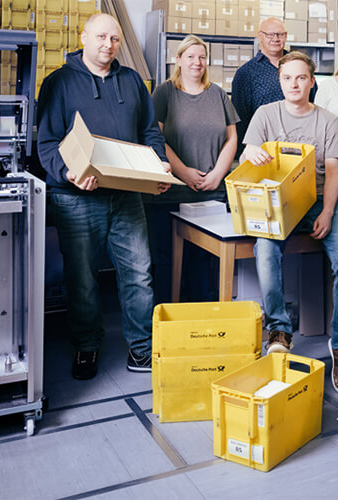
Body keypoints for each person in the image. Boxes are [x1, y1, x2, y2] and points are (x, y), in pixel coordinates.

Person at [37, 13, 171, 380]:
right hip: (77, 199)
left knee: (139, 273)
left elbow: (149, 132)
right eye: (101, 37)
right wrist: (68, 174)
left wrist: (157, 165)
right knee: (81, 278)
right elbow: (46, 144)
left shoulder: (131, 81)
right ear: (84, 37)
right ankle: (86, 346)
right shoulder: (58, 83)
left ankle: (141, 349)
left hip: (127, 195)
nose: (108, 44)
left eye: (114, 38)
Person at [241, 51, 338, 394]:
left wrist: (327, 211)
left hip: (322, 199)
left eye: (301, 78)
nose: (294, 84)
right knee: (265, 249)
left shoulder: (327, 120)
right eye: (287, 78)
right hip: (279, 202)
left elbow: (335, 170)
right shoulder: (265, 114)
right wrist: (250, 153)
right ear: (280, 82)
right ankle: (279, 330)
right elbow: (247, 153)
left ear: (312, 81)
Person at [147, 34, 239, 304]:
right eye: (190, 56)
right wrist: (184, 172)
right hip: (171, 193)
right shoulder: (165, 93)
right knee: (167, 261)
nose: (197, 62)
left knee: (204, 263)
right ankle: (167, 322)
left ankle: (201, 324)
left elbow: (232, 138)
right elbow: (156, 138)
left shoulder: (218, 93)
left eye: (201, 57)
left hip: (210, 194)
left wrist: (217, 174)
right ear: (178, 60)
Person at [232, 17, 316, 157]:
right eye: (270, 35)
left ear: (286, 36)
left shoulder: (301, 65)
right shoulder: (246, 73)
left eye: (280, 34)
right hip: (263, 150)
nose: (275, 39)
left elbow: (313, 101)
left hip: (300, 146)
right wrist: (246, 152)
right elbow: (240, 119)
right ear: (260, 36)